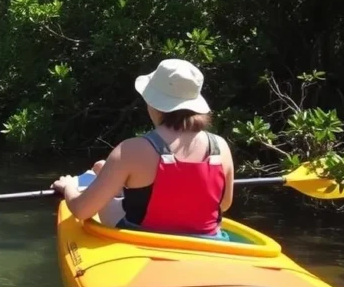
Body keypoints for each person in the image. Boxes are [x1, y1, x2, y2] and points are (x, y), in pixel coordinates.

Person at [51, 59, 235, 239]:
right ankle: (110, 177)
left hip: (145, 240)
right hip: (208, 241)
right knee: (112, 174)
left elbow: (82, 211)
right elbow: (224, 205)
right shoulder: (220, 147)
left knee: (99, 192)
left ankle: (107, 179)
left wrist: (69, 187)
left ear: (152, 102)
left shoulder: (130, 151)